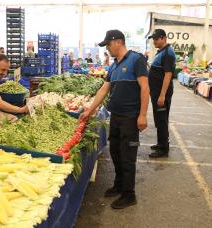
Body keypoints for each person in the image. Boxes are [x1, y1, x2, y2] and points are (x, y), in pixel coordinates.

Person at [79, 30, 149, 209]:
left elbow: (144, 88)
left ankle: (129, 194)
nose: (108, 49)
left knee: (127, 156)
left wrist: (142, 115)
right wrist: (90, 110)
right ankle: (119, 185)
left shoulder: (136, 59)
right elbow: (104, 89)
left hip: (131, 118)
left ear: (118, 42)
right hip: (116, 116)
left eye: (108, 45)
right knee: (116, 153)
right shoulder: (114, 65)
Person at [147, 29, 176, 158]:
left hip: (161, 94)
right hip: (156, 92)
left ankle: (163, 149)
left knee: (162, 120)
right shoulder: (162, 52)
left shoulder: (168, 53)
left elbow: (168, 74)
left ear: (163, 38)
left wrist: (162, 95)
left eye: (156, 39)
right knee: (159, 119)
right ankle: (161, 143)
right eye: (153, 39)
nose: (154, 42)